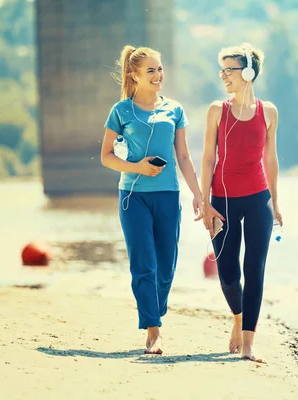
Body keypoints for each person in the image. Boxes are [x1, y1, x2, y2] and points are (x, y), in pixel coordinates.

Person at [100, 45, 203, 354]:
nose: (158, 75)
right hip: (133, 197)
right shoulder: (121, 111)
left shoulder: (174, 109)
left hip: (169, 196)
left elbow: (183, 157)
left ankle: (153, 312)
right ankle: (153, 330)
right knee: (144, 264)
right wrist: (138, 168)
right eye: (151, 70)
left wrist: (199, 195)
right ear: (135, 75)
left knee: (167, 266)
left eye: (160, 69)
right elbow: (106, 156)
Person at [197, 43, 283, 363]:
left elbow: (270, 160)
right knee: (228, 273)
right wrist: (205, 202)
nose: (223, 76)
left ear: (248, 73)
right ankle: (237, 319)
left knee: (254, 269)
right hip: (223, 200)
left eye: (229, 70)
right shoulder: (216, 110)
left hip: (258, 198)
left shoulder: (269, 111)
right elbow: (208, 158)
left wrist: (275, 203)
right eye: (222, 70)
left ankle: (248, 344)